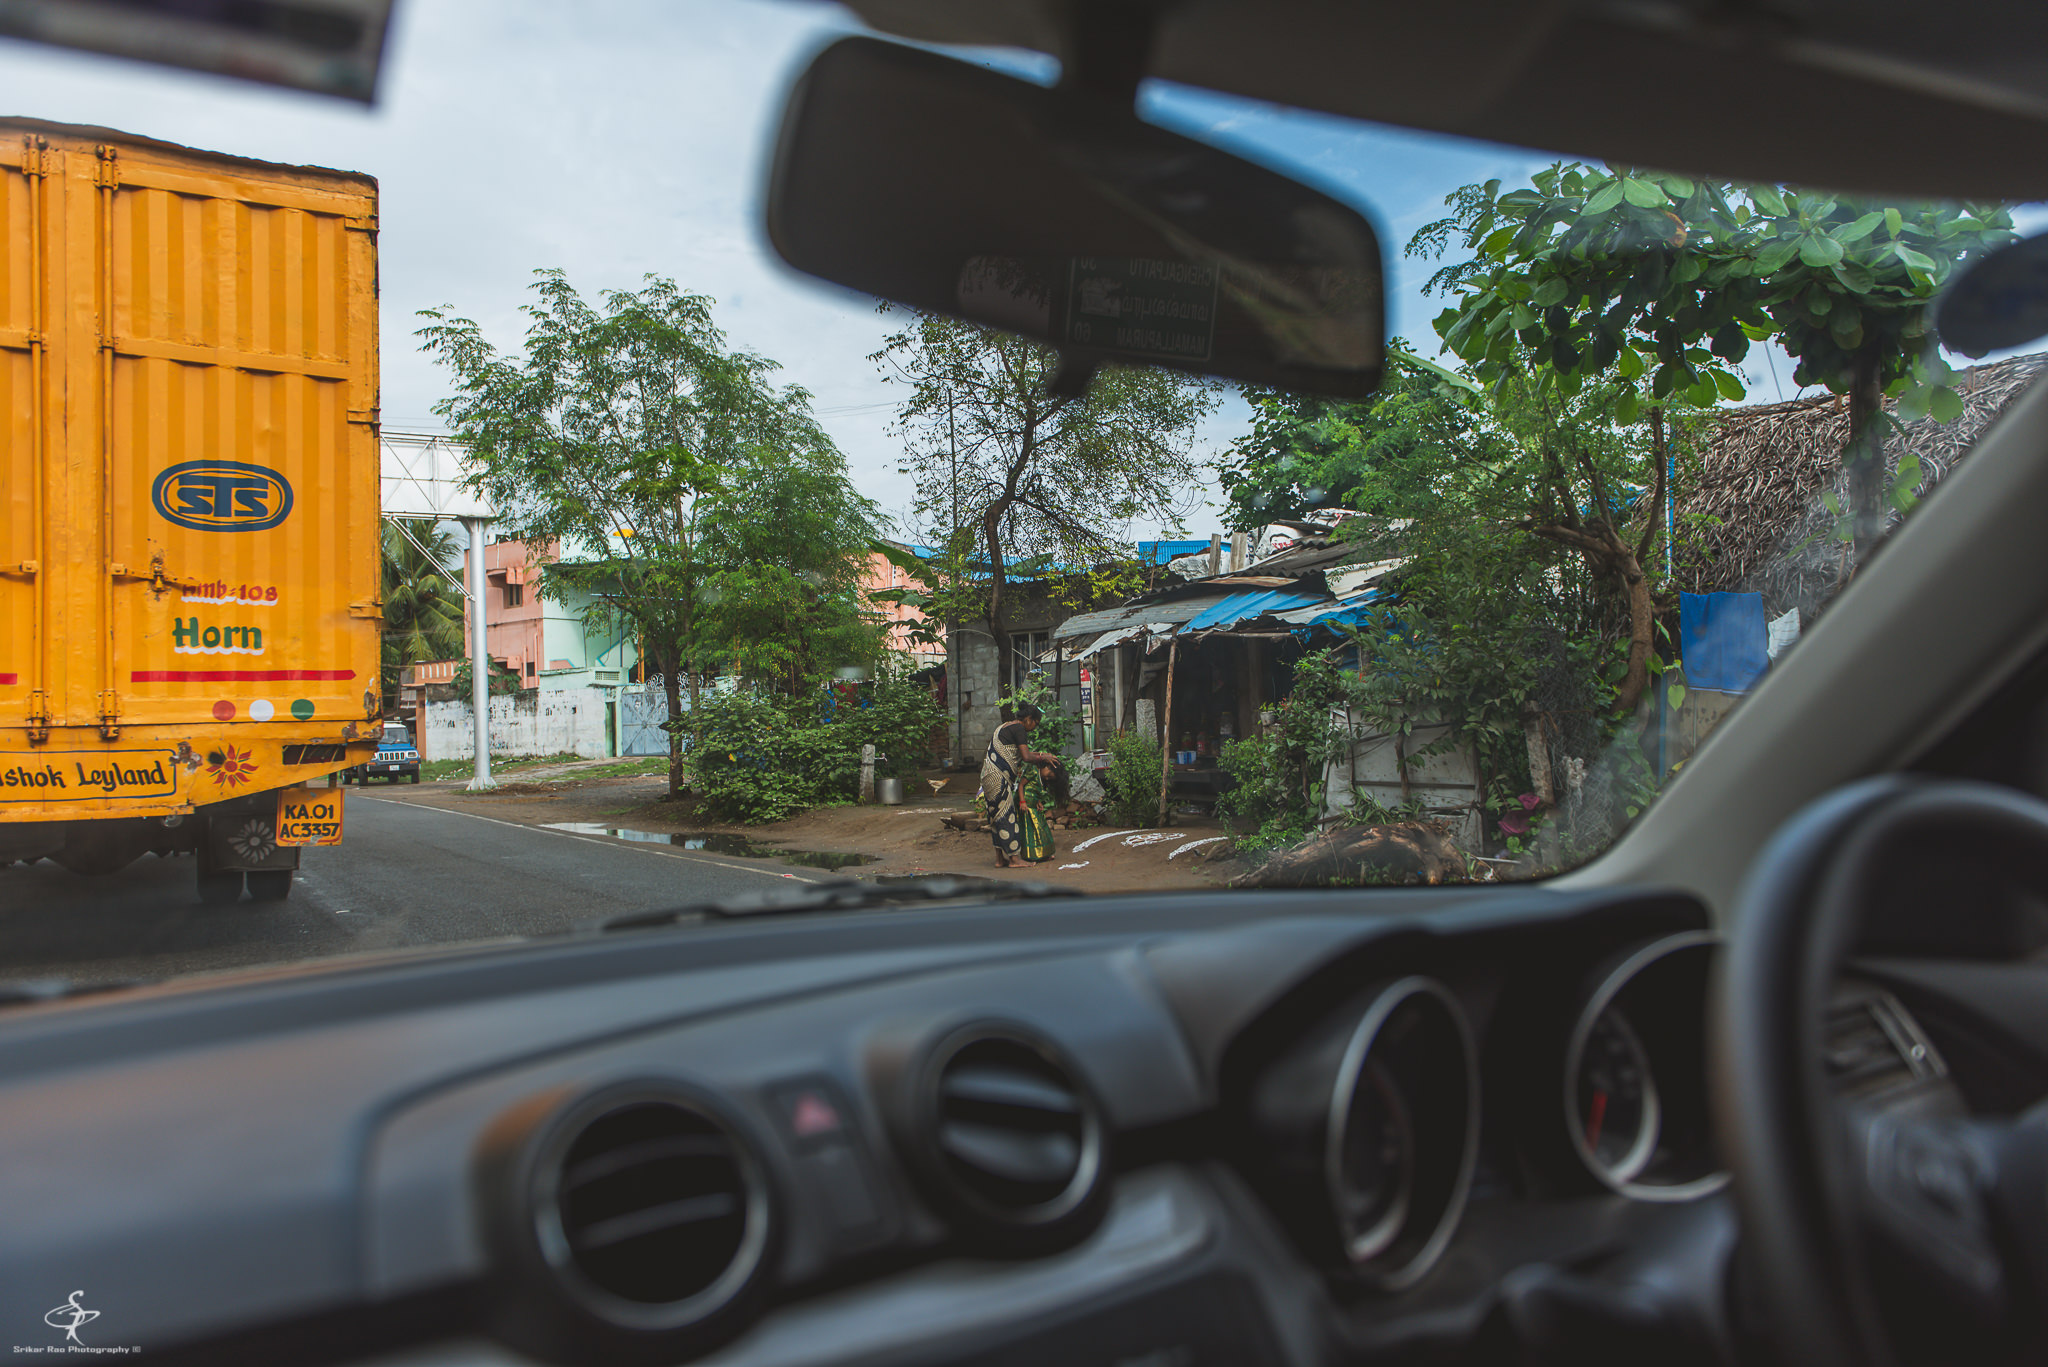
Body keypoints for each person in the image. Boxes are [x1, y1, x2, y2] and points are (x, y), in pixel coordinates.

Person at [981, 703, 1062, 867]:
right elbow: (1025, 756)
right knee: (1006, 816)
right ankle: (1014, 859)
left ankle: (999, 859)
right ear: (1029, 719)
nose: (1034, 727)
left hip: (989, 777)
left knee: (996, 817)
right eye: (1036, 723)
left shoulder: (1005, 726)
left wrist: (1042, 755)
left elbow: (1023, 754)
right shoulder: (1019, 729)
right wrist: (1043, 758)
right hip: (998, 777)